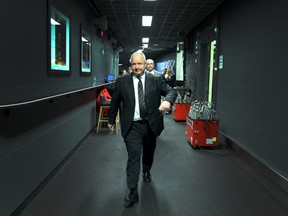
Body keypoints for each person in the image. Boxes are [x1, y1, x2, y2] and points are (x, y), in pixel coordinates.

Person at [108, 51, 177, 207]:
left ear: (145, 65)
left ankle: (146, 170)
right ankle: (132, 191)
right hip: (132, 126)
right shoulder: (122, 81)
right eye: (134, 64)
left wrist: (168, 102)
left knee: (149, 151)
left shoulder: (156, 79)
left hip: (151, 124)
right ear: (130, 65)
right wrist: (111, 120)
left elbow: (171, 91)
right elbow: (115, 102)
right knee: (133, 156)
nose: (137, 67)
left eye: (140, 64)